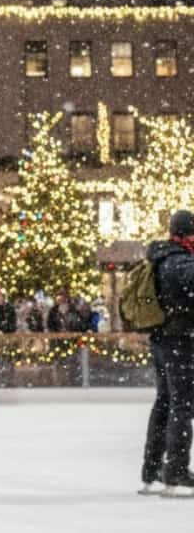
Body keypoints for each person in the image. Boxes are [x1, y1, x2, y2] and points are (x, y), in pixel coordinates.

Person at [140, 210, 194, 498]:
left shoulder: (161, 257)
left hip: (163, 341)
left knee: (166, 402)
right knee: (182, 404)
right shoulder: (180, 262)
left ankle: (152, 470)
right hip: (180, 342)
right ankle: (176, 471)